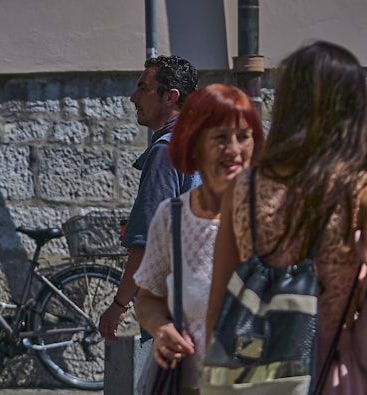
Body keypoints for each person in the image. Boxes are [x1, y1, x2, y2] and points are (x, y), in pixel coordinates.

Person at [207, 41, 367, 390]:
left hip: (252, 370)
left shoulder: (243, 186)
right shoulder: (357, 188)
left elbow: (219, 301)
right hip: (329, 370)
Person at [133, 84, 264, 393]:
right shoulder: (174, 218)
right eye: (220, 137)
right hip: (191, 384)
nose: (233, 149)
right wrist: (161, 328)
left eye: (243, 136)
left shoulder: (275, 218)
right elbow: (148, 299)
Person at [99, 54, 199, 340]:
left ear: (171, 97)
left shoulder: (166, 153)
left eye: (143, 88)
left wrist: (118, 305)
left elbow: (147, 245)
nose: (133, 98)